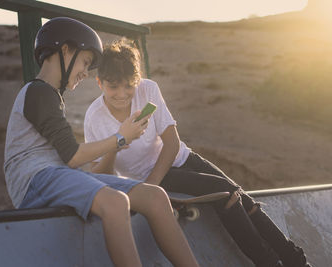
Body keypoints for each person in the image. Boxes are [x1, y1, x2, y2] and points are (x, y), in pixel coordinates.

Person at [84, 39, 312, 267]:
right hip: (147, 177)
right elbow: (99, 172)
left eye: (129, 86)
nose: (122, 94)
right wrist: (115, 145)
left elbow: (172, 144)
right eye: (113, 86)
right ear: (99, 82)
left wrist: (152, 183)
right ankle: (269, 263)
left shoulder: (148, 89)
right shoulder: (94, 117)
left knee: (243, 198)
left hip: (180, 158)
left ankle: (297, 261)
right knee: (226, 195)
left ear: (136, 81)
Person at [3, 17, 199, 267]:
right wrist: (120, 138)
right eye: (85, 62)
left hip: (57, 173)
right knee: (116, 203)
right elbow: (73, 155)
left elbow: (69, 161)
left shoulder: (51, 96)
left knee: (155, 197)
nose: (85, 72)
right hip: (35, 179)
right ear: (65, 50)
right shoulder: (38, 91)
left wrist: (119, 139)